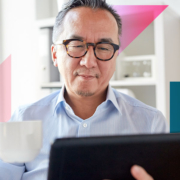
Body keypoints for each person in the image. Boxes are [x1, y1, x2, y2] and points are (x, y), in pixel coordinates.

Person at [0, 0, 168, 179]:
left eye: (103, 48)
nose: (88, 62)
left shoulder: (152, 124)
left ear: (115, 57)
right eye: (77, 45)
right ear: (55, 54)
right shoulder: (23, 119)